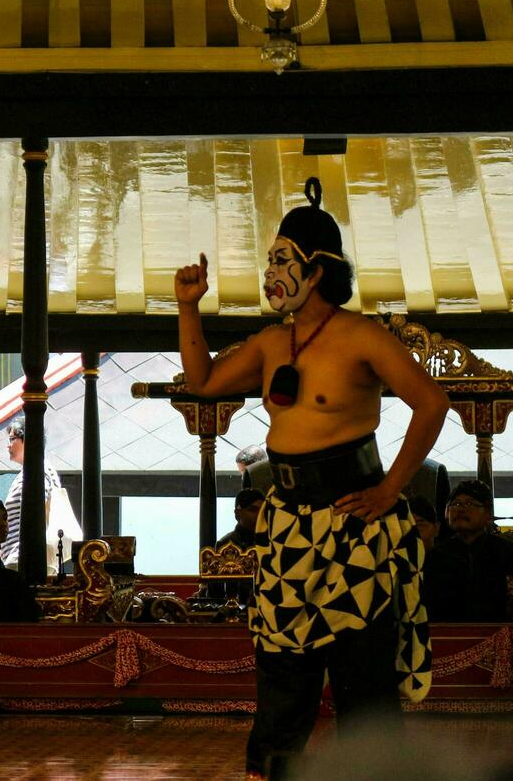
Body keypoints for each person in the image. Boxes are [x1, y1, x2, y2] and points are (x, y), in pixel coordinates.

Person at [174, 178, 448, 780]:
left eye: (282, 260)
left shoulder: (363, 336)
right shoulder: (273, 343)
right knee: (281, 679)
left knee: (364, 684)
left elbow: (431, 403)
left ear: (317, 269)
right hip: (287, 528)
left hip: (356, 525)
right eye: (269, 260)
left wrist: (391, 489)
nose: (271, 273)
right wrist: (188, 306)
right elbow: (204, 384)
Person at [424, 481, 513, 623]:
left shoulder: (508, 552)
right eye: (456, 504)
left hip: (498, 638)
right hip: (445, 637)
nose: (460, 509)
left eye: (470, 503)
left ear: (488, 514)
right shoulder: (435, 556)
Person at [0, 417, 64, 567]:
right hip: (18, 555)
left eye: (12, 439)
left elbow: (42, 509)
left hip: (23, 557)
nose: (8, 446)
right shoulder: (31, 470)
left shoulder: (38, 470)